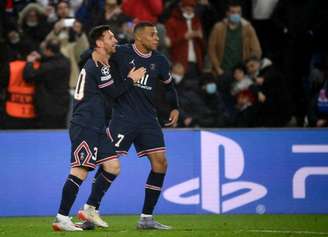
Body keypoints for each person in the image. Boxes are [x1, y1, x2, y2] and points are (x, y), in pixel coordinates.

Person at [86, 21, 179, 230]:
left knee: (161, 163)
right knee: (109, 165)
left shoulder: (160, 61)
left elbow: (169, 86)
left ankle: (146, 218)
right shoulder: (120, 53)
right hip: (122, 118)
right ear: (139, 37)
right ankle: (90, 212)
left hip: (148, 120)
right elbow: (95, 56)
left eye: (157, 34)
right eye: (152, 34)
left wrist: (175, 107)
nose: (157, 38)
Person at [52, 25, 145, 231]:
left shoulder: (98, 61)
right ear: (99, 43)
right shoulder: (98, 65)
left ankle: (90, 209)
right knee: (80, 171)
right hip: (85, 124)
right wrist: (132, 79)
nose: (115, 40)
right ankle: (62, 217)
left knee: (112, 167)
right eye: (110, 37)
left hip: (97, 126)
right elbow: (114, 93)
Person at [23, 39, 70, 128]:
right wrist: (41, 57)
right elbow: (54, 59)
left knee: (46, 132)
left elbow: (28, 77)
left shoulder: (47, 67)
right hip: (62, 105)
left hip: (48, 107)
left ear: (48, 51)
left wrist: (29, 62)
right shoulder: (66, 62)